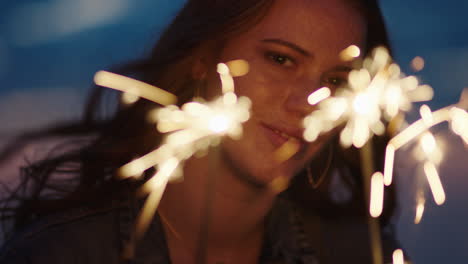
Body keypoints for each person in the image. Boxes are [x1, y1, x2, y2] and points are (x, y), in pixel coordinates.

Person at [0, 0, 401, 263]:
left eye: (335, 80)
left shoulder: (360, 255)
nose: (310, 102)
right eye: (281, 59)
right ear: (204, 58)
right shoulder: (65, 254)